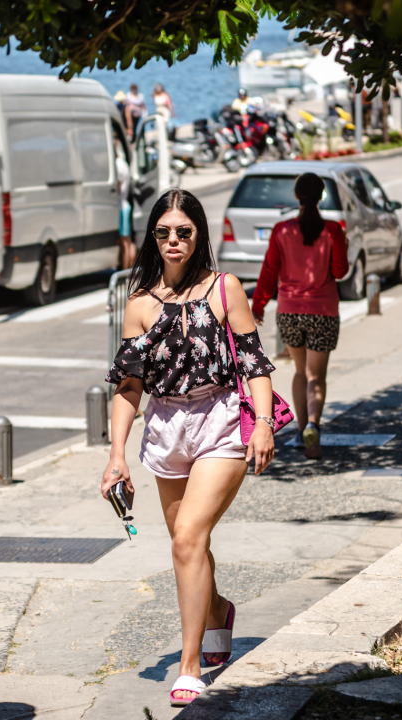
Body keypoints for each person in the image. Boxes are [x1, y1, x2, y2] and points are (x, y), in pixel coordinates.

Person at [102, 189, 276, 707]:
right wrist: (117, 455)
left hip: (220, 421)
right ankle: (219, 611)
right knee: (188, 542)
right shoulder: (138, 304)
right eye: (163, 232)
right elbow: (129, 386)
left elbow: (253, 362)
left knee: (187, 540)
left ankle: (189, 663)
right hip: (167, 427)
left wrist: (262, 424)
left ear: (198, 234)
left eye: (183, 232)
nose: (173, 241)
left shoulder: (225, 289)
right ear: (152, 237)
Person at [252, 173, 349, 459]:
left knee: (299, 371)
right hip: (323, 311)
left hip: (289, 311)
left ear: (297, 196)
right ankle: (314, 434)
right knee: (316, 377)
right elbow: (340, 271)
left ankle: (300, 429)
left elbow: (269, 271)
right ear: (321, 197)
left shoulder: (282, 230)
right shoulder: (332, 230)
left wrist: (258, 304)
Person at [115, 139, 135, 269]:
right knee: (128, 241)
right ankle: (129, 269)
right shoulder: (124, 163)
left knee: (124, 243)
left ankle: (125, 270)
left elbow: (118, 185)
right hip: (126, 203)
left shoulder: (117, 164)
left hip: (121, 205)